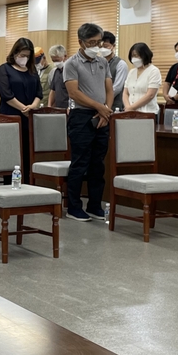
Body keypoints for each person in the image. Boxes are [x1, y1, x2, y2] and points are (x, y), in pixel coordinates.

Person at [63, 23, 113, 222]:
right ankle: (74, 207)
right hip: (81, 117)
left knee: (97, 164)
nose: (96, 46)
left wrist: (105, 110)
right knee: (80, 163)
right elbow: (74, 93)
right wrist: (99, 107)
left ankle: (94, 205)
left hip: (102, 117)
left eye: (98, 42)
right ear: (80, 42)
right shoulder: (71, 64)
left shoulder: (103, 62)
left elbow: (109, 89)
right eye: (91, 42)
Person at [0, 38, 43, 182]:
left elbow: (39, 93)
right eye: (22, 55)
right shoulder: (4, 69)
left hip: (28, 118)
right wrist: (23, 108)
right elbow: (6, 94)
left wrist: (33, 106)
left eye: (27, 56)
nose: (24, 58)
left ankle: (27, 186)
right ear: (15, 52)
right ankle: (8, 186)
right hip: (10, 117)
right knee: (10, 155)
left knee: (27, 155)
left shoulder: (32, 70)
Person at [123, 42, 161, 115]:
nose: (134, 59)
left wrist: (131, 108)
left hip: (147, 113)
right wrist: (128, 107)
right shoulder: (131, 72)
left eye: (136, 56)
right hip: (129, 112)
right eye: (132, 56)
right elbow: (125, 92)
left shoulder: (153, 71)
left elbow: (150, 95)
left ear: (144, 55)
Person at [98, 31, 127, 111]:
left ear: (113, 46)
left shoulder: (121, 64)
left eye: (106, 46)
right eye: (101, 47)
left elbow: (117, 87)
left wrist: (104, 100)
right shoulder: (97, 62)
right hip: (98, 105)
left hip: (115, 106)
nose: (102, 49)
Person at [46, 45, 69, 109]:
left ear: (65, 56)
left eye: (57, 60)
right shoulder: (56, 71)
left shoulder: (71, 71)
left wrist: (70, 107)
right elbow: (53, 90)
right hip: (58, 108)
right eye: (53, 61)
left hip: (69, 109)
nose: (55, 63)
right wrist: (49, 106)